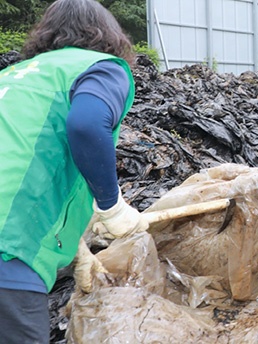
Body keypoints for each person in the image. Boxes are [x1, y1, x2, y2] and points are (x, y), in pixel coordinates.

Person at [0, 0, 149, 342]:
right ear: (109, 35)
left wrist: (76, 247)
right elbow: (85, 125)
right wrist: (111, 207)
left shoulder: (13, 76)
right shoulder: (100, 67)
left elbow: (18, 157)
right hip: (9, 253)